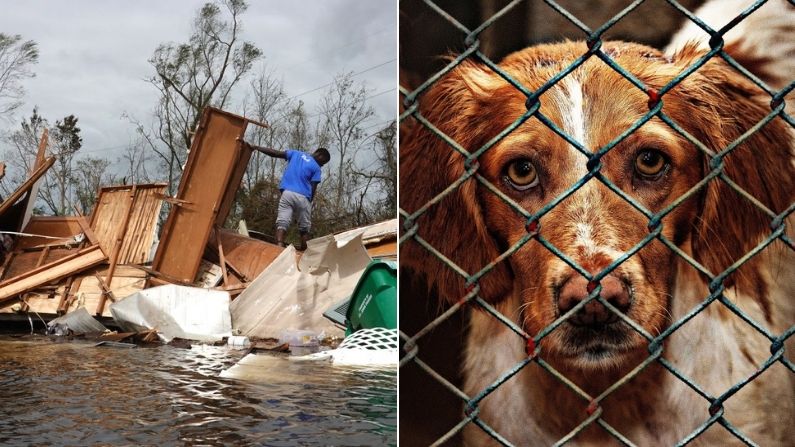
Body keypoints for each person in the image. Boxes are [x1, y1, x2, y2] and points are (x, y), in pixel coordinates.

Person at [237, 138, 330, 250]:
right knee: (304, 228)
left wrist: (256, 147)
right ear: (319, 154)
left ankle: (279, 247)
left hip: (287, 194)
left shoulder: (296, 154)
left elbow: (275, 153)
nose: (322, 165)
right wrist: (308, 203)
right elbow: (313, 187)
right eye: (323, 162)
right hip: (303, 197)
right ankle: (304, 253)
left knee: (282, 223)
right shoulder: (316, 168)